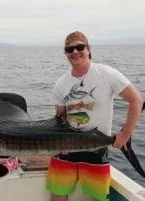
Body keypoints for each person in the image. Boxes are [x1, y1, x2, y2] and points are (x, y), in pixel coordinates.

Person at [46, 31, 143, 201]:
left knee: (98, 197)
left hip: (96, 148)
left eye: (79, 47)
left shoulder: (106, 73)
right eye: (70, 49)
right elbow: (60, 117)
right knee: (58, 193)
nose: (75, 52)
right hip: (66, 149)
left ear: (88, 49)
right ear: (66, 54)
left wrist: (125, 134)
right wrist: (59, 142)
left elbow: (136, 100)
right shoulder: (61, 83)